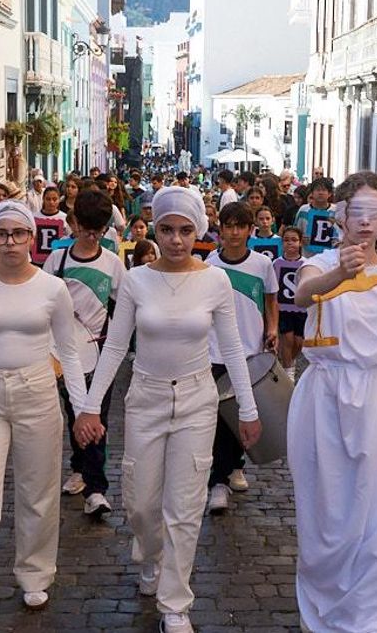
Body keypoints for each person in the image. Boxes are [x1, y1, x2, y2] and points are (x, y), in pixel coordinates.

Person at [72, 186, 260, 633]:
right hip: (146, 398)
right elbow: (115, 346)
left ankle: (176, 602)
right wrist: (89, 407)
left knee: (186, 502)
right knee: (139, 500)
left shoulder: (215, 280)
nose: (176, 239)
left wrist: (248, 409)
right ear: (155, 229)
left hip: (197, 400)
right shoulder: (138, 280)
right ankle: (149, 553)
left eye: (185, 230)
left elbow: (231, 347)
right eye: (167, 229)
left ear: (198, 231)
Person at [289, 171, 377, 632]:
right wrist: (338, 275)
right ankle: (328, 606)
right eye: (358, 213)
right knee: (329, 509)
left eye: (376, 214)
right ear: (340, 216)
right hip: (326, 398)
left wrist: (375, 362)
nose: (367, 223)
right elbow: (303, 293)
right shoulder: (319, 264)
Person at [0, 201, 89, 630]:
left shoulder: (52, 289)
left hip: (37, 395)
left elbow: (69, 352)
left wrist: (82, 409)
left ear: (32, 238)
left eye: (18, 234)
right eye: (1, 234)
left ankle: (35, 572)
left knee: (38, 494)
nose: (10, 242)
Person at [43, 189, 126, 517]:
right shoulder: (57, 260)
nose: (92, 237)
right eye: (86, 229)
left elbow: (124, 308)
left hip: (99, 353)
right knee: (73, 411)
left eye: (99, 230)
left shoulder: (112, 265)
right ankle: (79, 467)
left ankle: (96, 488)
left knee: (97, 415)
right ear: (73, 224)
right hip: (62, 354)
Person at [205, 202, 279, 514]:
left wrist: (272, 328)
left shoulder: (262, 265)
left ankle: (235, 465)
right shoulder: (210, 264)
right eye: (229, 226)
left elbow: (271, 299)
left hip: (249, 349)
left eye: (241, 226)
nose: (234, 233)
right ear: (219, 229)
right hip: (215, 350)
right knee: (219, 415)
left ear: (250, 230)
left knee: (240, 411)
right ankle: (218, 482)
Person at [273, 226, 306, 381]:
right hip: (283, 307)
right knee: (288, 339)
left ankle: (289, 362)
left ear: (300, 243)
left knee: (299, 342)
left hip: (301, 309)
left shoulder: (306, 264)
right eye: (286, 240)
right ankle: (288, 372)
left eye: (294, 240)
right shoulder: (276, 263)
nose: (290, 243)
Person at [295, 177, 337, 257]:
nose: (320, 193)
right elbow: (296, 231)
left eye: (324, 190)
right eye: (317, 190)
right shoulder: (303, 210)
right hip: (307, 256)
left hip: (330, 257)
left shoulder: (336, 211)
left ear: (329, 193)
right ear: (312, 193)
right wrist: (300, 239)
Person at [31, 187, 70, 265]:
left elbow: (69, 238)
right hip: (37, 261)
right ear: (43, 199)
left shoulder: (65, 218)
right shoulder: (33, 217)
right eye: (48, 199)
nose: (51, 202)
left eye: (54, 199)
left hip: (57, 261)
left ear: (59, 200)